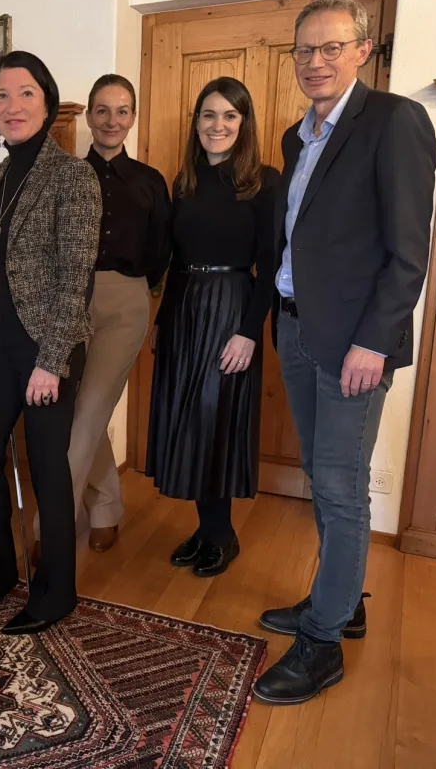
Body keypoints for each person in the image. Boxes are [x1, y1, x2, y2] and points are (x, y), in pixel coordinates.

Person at [252, 0, 436, 705]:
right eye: (304, 50)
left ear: (363, 50)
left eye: (331, 47)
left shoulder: (393, 121)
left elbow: (407, 255)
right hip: (298, 327)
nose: (315, 61)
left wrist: (373, 342)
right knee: (323, 478)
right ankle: (342, 601)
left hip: (355, 344)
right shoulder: (299, 136)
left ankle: (321, 643)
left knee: (337, 485)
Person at [0, 50, 101, 635]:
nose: (11, 106)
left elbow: (76, 277)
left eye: (25, 94)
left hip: (49, 347)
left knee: (46, 467)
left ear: (47, 100)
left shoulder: (74, 176)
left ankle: (56, 592)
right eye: (1, 96)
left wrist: (52, 360)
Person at [146, 77, 279, 579]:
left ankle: (222, 533)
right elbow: (177, 261)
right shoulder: (185, 183)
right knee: (186, 420)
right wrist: (161, 319)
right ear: (196, 123)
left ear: (243, 124)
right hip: (183, 309)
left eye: (228, 115)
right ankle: (206, 529)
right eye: (208, 115)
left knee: (215, 419)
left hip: (231, 309)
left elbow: (270, 265)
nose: (216, 125)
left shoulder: (265, 183)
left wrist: (249, 330)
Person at [32, 74, 170, 555]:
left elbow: (160, 250)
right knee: (76, 410)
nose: (113, 120)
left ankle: (50, 529)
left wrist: (139, 291)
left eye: (123, 110)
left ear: (133, 118)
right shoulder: (66, 175)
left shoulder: (151, 182)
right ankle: (107, 506)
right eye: (103, 110)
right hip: (70, 297)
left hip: (125, 303)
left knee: (89, 411)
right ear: (89, 117)